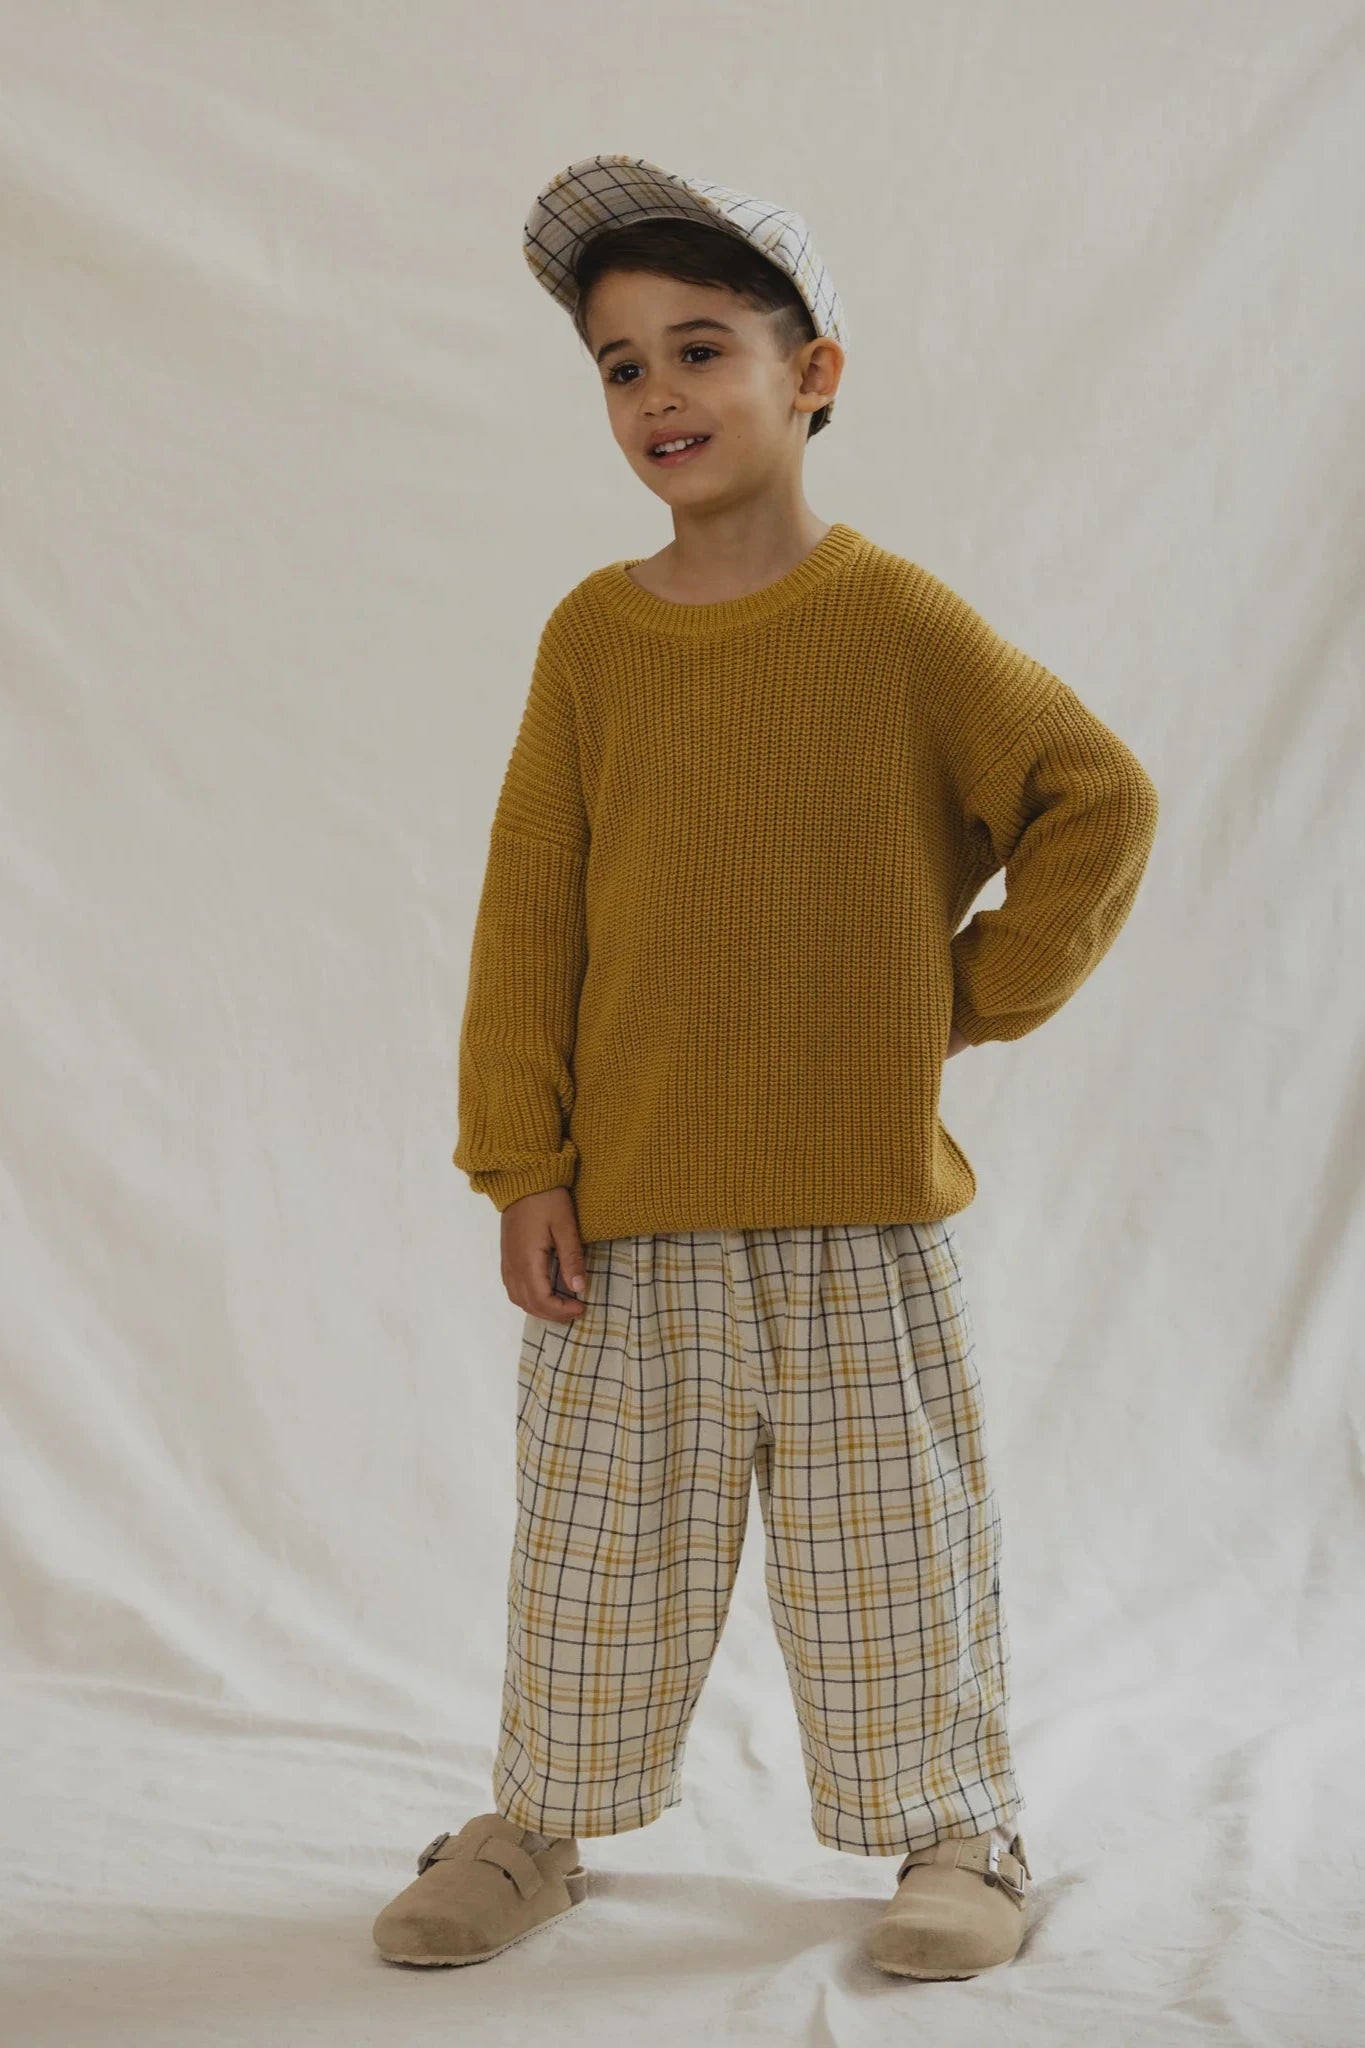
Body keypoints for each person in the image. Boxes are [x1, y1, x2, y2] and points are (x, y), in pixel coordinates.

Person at [372, 153, 1159, 1979]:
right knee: (589, 1566)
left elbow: (1094, 797)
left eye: (701, 348)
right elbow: (527, 919)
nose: (658, 395)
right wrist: (522, 1162)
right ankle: (535, 1822)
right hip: (627, 1219)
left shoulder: (893, 620)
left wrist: (955, 997)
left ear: (811, 374)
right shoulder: (593, 635)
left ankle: (958, 1834)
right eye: (620, 365)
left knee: (891, 1561)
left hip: (858, 1222)